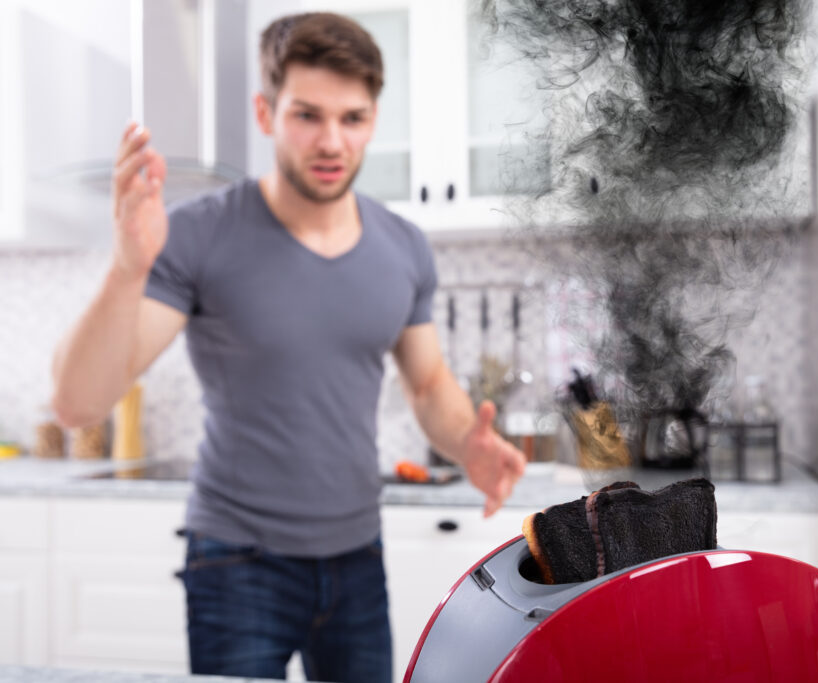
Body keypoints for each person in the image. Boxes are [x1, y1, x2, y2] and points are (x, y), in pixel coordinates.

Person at [50, 12, 527, 683]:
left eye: (353, 117)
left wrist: (468, 444)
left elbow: (427, 386)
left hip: (358, 557)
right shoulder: (197, 234)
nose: (333, 140)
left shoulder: (403, 246)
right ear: (266, 112)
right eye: (307, 114)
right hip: (237, 561)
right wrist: (127, 268)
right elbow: (79, 401)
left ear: (373, 117)